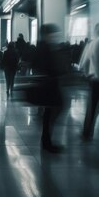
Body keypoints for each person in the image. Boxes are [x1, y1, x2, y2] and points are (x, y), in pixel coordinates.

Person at [32, 24, 67, 153]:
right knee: (54, 110)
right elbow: (49, 66)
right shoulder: (46, 48)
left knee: (50, 113)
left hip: (48, 85)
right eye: (52, 33)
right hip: (49, 86)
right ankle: (47, 141)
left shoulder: (42, 47)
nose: (54, 36)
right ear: (47, 34)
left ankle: (46, 140)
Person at [78, 22, 99, 140]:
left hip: (95, 80)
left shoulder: (91, 44)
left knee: (92, 106)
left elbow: (83, 63)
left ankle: (87, 131)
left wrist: (88, 75)